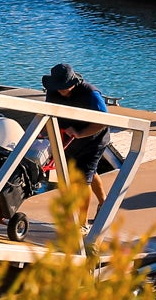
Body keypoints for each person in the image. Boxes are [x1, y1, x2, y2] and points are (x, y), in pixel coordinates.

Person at [43, 63, 111, 214]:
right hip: (69, 139)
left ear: (73, 82)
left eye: (64, 86)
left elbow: (104, 121)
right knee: (87, 173)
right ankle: (104, 203)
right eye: (57, 85)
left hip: (94, 139)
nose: (60, 89)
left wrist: (80, 133)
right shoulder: (53, 91)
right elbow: (47, 112)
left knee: (82, 181)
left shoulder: (90, 93)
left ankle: (82, 223)